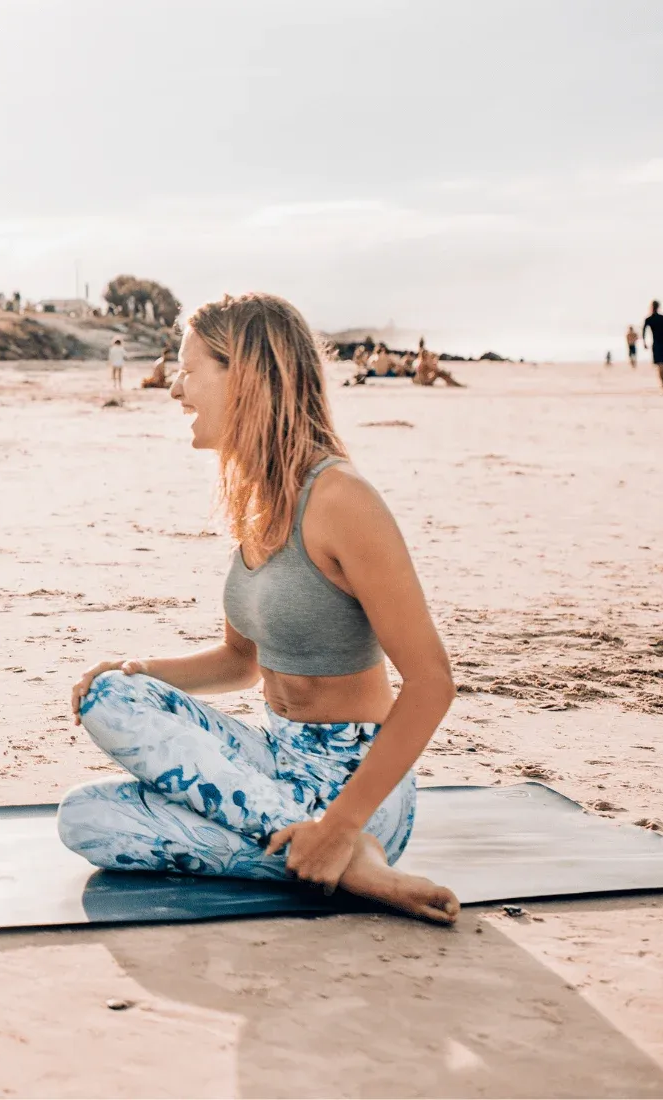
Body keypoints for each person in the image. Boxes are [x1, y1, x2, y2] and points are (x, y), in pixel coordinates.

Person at [57, 292, 460, 925]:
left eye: (189, 371)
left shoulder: (341, 500)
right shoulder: (256, 501)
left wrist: (343, 819)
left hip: (357, 785)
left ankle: (341, 843)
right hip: (274, 770)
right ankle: (348, 864)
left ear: (243, 376)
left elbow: (433, 682)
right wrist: (135, 671)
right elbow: (240, 664)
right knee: (85, 816)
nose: (174, 389)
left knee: (112, 711)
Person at [640, 300, 663, 394]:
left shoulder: (649, 319)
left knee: (659, 365)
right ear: (658, 307)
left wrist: (644, 343)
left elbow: (643, 331)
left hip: (656, 344)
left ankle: (662, 384)